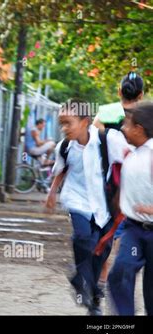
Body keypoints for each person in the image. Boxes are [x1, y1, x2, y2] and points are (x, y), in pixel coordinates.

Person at [45, 99, 129, 315]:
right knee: (84, 238)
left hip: (104, 203)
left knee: (101, 249)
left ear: (85, 122)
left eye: (68, 123)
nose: (64, 128)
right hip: (77, 199)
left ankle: (85, 287)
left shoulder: (108, 140)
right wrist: (52, 193)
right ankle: (92, 299)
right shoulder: (63, 147)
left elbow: (128, 160)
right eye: (61, 123)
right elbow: (61, 170)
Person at [96, 72, 144, 291]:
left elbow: (94, 137)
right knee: (130, 224)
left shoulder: (106, 112)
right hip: (138, 180)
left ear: (119, 91)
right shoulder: (145, 115)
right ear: (141, 94)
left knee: (107, 224)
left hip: (109, 178)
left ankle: (104, 274)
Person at [108, 102, 153, 315]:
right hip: (133, 229)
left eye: (127, 124)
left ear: (140, 129)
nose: (123, 128)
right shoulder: (132, 155)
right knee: (120, 272)